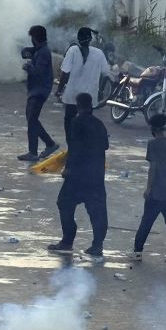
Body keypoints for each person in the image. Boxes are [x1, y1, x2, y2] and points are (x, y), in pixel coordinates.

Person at [48, 93, 109, 261]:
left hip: (78, 175)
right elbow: (106, 145)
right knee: (97, 211)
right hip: (96, 175)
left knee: (64, 203)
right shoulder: (99, 124)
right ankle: (97, 245)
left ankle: (68, 240)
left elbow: (75, 148)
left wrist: (68, 169)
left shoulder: (76, 122)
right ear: (91, 105)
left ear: (78, 105)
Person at [131, 114, 166, 262]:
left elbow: (153, 167)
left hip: (156, 192)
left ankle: (137, 251)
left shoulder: (152, 144)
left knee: (146, 222)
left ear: (152, 128)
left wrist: (148, 188)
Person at [54, 27, 110, 142]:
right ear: (91, 39)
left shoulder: (73, 50)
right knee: (87, 122)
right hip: (90, 96)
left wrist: (59, 90)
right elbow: (106, 74)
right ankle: (83, 146)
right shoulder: (99, 53)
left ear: (78, 38)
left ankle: (72, 147)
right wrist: (100, 91)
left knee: (69, 121)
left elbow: (65, 73)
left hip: (72, 95)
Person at [19, 25, 57, 161]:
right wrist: (27, 52)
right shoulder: (40, 50)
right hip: (37, 90)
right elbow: (26, 51)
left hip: (39, 90)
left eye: (32, 38)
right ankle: (36, 150)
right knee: (32, 119)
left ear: (35, 38)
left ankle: (47, 145)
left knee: (32, 119)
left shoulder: (44, 52)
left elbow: (38, 73)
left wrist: (28, 66)